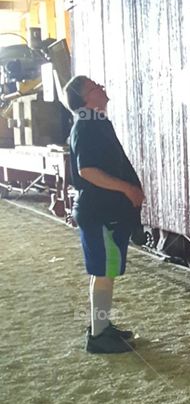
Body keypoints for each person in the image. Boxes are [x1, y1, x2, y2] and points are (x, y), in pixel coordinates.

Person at [63, 75, 145, 354]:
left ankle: (102, 327)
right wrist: (127, 189)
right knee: (103, 273)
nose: (101, 87)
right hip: (100, 213)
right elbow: (88, 171)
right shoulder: (87, 125)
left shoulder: (94, 123)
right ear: (85, 99)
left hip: (103, 212)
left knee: (104, 272)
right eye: (93, 87)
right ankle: (99, 337)